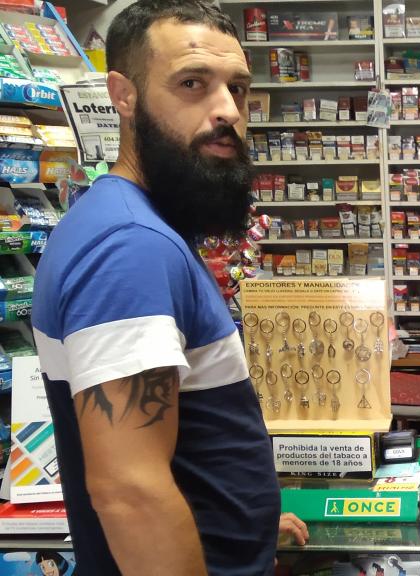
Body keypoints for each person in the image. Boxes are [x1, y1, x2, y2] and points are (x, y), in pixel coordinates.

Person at [32, 1, 281, 574]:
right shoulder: (130, 247)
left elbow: (173, 454)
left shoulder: (127, 220)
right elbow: (130, 493)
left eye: (237, 89)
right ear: (123, 94)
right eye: (192, 83)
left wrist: (246, 520)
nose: (227, 111)